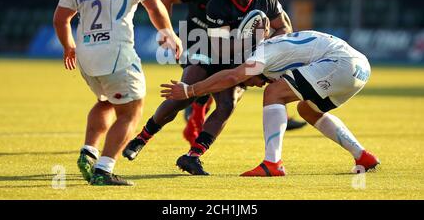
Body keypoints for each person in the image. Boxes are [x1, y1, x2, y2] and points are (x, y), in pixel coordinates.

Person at [122, 0, 292, 175]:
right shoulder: (217, 4)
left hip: (242, 59)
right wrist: (250, 47)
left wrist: (265, 46)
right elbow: (221, 51)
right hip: (209, 53)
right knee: (183, 96)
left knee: (227, 104)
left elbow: (284, 28)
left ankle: (192, 157)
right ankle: (142, 137)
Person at [53, 0, 182, 186]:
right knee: (132, 111)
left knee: (108, 101)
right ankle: (104, 169)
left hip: (86, 54)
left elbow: (60, 18)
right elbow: (154, 7)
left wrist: (68, 46)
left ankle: (89, 151)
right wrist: (168, 32)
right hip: (116, 52)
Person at [161, 22, 380, 177]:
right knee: (307, 110)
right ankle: (362, 156)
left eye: (249, 82)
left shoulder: (262, 52)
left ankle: (272, 163)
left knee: (274, 93)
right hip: (360, 68)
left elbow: (233, 76)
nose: (253, 84)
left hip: (340, 63)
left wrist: (190, 90)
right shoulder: (275, 48)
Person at [247, 0, 307, 131]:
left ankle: (282, 112)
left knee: (278, 71)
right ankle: (199, 102)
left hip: (266, 33)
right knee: (233, 78)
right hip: (245, 34)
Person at [158, 0, 228, 145]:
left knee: (217, 83)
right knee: (202, 74)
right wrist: (166, 32)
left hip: (214, 51)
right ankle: (193, 118)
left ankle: (193, 120)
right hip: (188, 45)